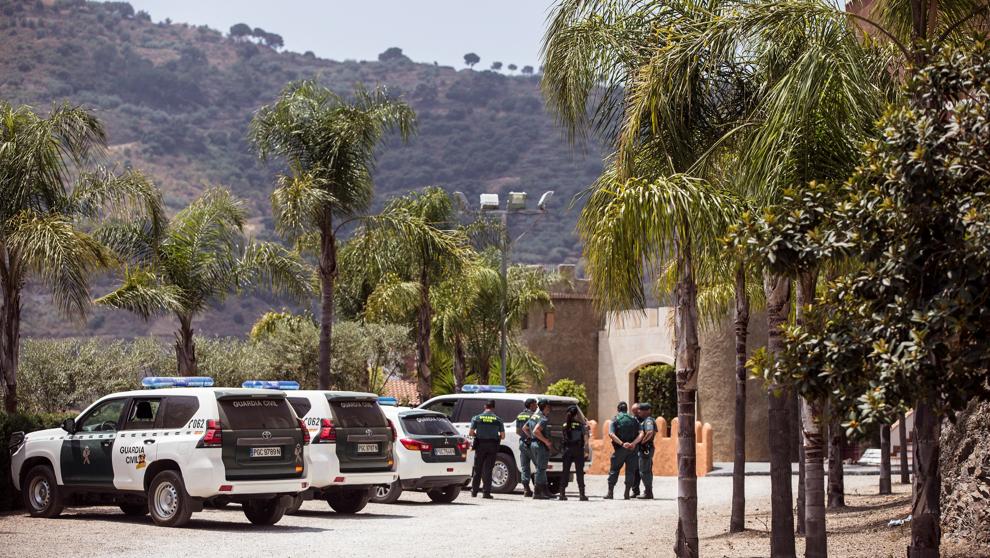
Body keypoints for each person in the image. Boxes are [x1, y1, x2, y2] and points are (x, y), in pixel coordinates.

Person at [605, 401, 643, 500]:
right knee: (630, 471)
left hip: (620, 450)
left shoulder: (615, 419)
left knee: (614, 470)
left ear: (618, 409)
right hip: (632, 449)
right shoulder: (634, 419)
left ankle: (610, 493)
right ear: (626, 409)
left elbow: (611, 434)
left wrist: (622, 444)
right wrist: (633, 443)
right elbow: (641, 434)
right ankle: (627, 493)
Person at [468, 399, 505, 499]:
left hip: (480, 444)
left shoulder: (476, 418)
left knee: (477, 468)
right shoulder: (498, 419)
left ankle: (474, 491)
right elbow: (503, 435)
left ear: (485, 406)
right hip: (492, 446)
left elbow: (471, 433)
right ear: (493, 407)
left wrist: (479, 434)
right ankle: (486, 493)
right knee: (488, 469)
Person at [559, 404, 589, 501]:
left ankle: (562, 494)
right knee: (580, 472)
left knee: (565, 472)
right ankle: (582, 495)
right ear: (576, 414)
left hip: (567, 450)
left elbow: (563, 438)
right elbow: (585, 439)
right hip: (578, 450)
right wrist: (586, 450)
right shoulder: (581, 425)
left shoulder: (564, 425)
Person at [529, 398, 554, 500]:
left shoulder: (533, 417)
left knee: (541, 468)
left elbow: (525, 428)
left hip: (534, 444)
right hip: (540, 446)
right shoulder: (543, 418)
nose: (550, 409)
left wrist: (532, 439)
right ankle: (537, 492)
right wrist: (546, 441)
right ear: (546, 407)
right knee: (541, 469)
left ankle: (545, 491)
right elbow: (536, 431)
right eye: (549, 407)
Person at [515, 397, 538, 497]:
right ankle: (538, 489)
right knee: (539, 466)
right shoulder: (534, 416)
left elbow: (518, 431)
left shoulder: (519, 415)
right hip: (532, 443)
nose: (536, 406)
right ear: (531, 405)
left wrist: (524, 438)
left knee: (525, 467)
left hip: (522, 443)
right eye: (535, 404)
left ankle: (526, 489)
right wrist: (530, 437)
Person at [636, 402, 657, 499]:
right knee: (646, 470)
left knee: (644, 471)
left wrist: (643, 443)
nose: (639, 411)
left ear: (648, 411)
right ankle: (648, 491)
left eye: (642, 410)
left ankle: (648, 492)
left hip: (646, 448)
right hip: (647, 448)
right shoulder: (646, 420)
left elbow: (650, 432)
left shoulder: (648, 420)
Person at [630, 402, 643, 498]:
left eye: (635, 411)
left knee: (643, 470)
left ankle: (648, 490)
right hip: (634, 448)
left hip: (642, 448)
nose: (634, 413)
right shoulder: (632, 420)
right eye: (633, 411)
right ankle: (635, 490)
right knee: (635, 470)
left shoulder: (645, 420)